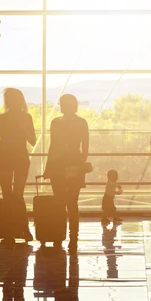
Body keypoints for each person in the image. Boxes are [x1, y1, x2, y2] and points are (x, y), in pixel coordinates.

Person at [44, 94, 89, 252]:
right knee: (72, 203)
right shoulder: (82, 123)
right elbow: (85, 148)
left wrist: (48, 167)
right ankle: (73, 237)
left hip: (58, 165)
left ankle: (58, 235)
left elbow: (53, 146)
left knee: (59, 202)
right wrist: (81, 165)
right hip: (75, 164)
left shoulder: (56, 123)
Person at [0, 88, 36, 242]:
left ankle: (9, 232)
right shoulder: (26, 117)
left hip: (7, 158)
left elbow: (3, 142)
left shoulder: (3, 118)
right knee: (17, 195)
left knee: (8, 196)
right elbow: (32, 141)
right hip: (19, 158)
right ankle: (23, 230)